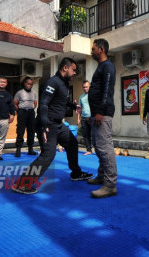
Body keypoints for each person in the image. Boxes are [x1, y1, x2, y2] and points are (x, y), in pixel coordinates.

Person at [12, 57, 93, 195]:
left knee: (72, 143)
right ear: (65, 68)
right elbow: (43, 104)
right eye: (74, 70)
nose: (75, 73)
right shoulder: (53, 82)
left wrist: (73, 105)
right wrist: (44, 126)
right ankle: (22, 183)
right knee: (48, 154)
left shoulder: (64, 83)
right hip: (47, 124)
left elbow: (63, 100)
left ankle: (76, 173)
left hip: (58, 124)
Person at [87, 39, 118, 198]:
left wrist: (100, 111)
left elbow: (107, 90)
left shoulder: (108, 66)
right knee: (98, 147)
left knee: (105, 147)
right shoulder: (101, 66)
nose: (91, 51)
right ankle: (101, 175)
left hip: (102, 113)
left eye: (93, 49)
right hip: (96, 114)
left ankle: (110, 184)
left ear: (102, 49)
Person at [14, 77, 38, 157]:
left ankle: (30, 149)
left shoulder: (34, 93)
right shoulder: (19, 93)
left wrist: (30, 109)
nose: (30, 85)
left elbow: (35, 104)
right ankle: (18, 149)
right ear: (25, 83)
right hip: (22, 112)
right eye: (28, 84)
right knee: (20, 130)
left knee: (31, 131)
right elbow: (15, 103)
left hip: (31, 112)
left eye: (31, 84)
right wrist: (20, 111)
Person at [77, 80, 93, 155]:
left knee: (95, 134)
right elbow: (79, 109)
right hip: (84, 118)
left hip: (92, 117)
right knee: (86, 135)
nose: (85, 88)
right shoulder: (81, 97)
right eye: (84, 87)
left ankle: (100, 150)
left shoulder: (93, 95)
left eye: (86, 87)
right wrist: (78, 118)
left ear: (90, 87)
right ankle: (89, 150)